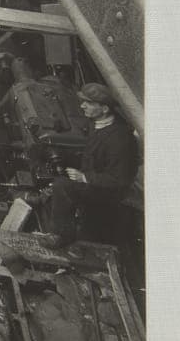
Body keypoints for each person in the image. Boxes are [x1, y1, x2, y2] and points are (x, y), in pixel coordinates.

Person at [39, 82, 139, 247]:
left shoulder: (120, 140)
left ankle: (61, 235)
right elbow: (92, 154)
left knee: (62, 186)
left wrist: (84, 177)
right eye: (83, 101)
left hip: (108, 192)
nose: (82, 106)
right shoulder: (96, 123)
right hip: (94, 177)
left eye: (89, 103)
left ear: (104, 109)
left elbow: (119, 180)